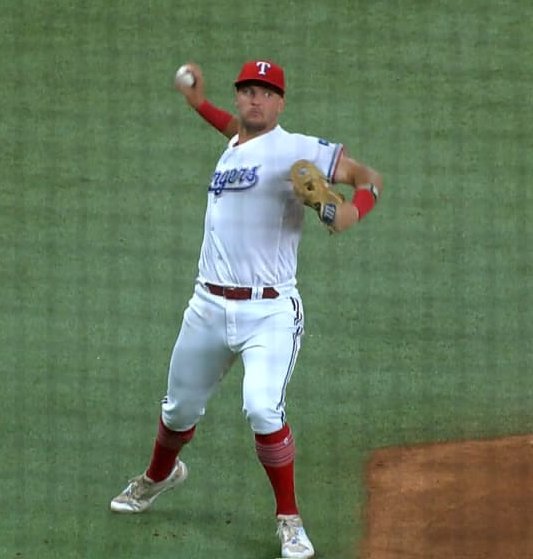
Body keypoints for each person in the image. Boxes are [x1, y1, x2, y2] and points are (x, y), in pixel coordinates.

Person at [109, 59, 383, 559]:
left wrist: (348, 210)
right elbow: (235, 131)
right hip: (207, 306)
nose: (255, 99)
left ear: (280, 102)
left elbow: (368, 176)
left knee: (262, 407)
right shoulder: (238, 142)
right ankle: (157, 476)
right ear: (239, 99)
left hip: (270, 312)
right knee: (178, 411)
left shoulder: (297, 149)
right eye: (247, 91)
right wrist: (199, 105)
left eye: (265, 92)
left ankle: (289, 520)